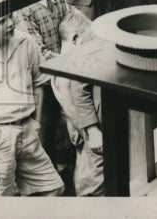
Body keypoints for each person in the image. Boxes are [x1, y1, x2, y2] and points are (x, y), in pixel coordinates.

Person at [0, 0, 65, 196]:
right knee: (2, 200)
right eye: (0, 22)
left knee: (54, 188)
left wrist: (36, 122)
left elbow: (39, 81)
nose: (10, 23)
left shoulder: (25, 42)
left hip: (28, 130)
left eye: (9, 16)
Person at [51, 19, 104, 196]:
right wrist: (89, 133)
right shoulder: (68, 66)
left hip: (82, 133)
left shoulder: (66, 63)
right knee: (91, 181)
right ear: (75, 39)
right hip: (86, 134)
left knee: (86, 172)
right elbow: (71, 108)